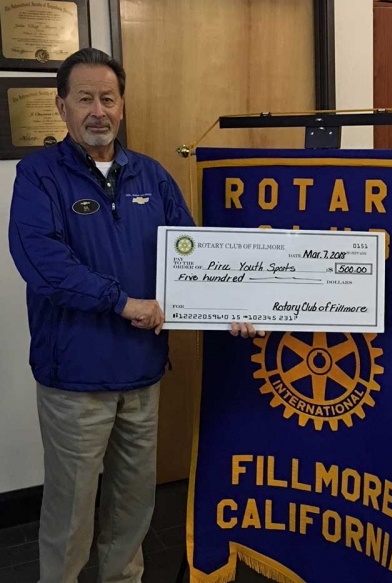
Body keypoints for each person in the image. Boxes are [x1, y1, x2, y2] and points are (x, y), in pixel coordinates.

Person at [8, 48, 259, 583]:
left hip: (142, 374)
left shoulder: (151, 175)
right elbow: (43, 263)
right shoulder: (38, 176)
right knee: (70, 513)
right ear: (62, 106)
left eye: (108, 98)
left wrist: (233, 306)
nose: (98, 111)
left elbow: (195, 258)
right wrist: (121, 302)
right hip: (75, 379)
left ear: (122, 105)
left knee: (132, 506)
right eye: (85, 99)